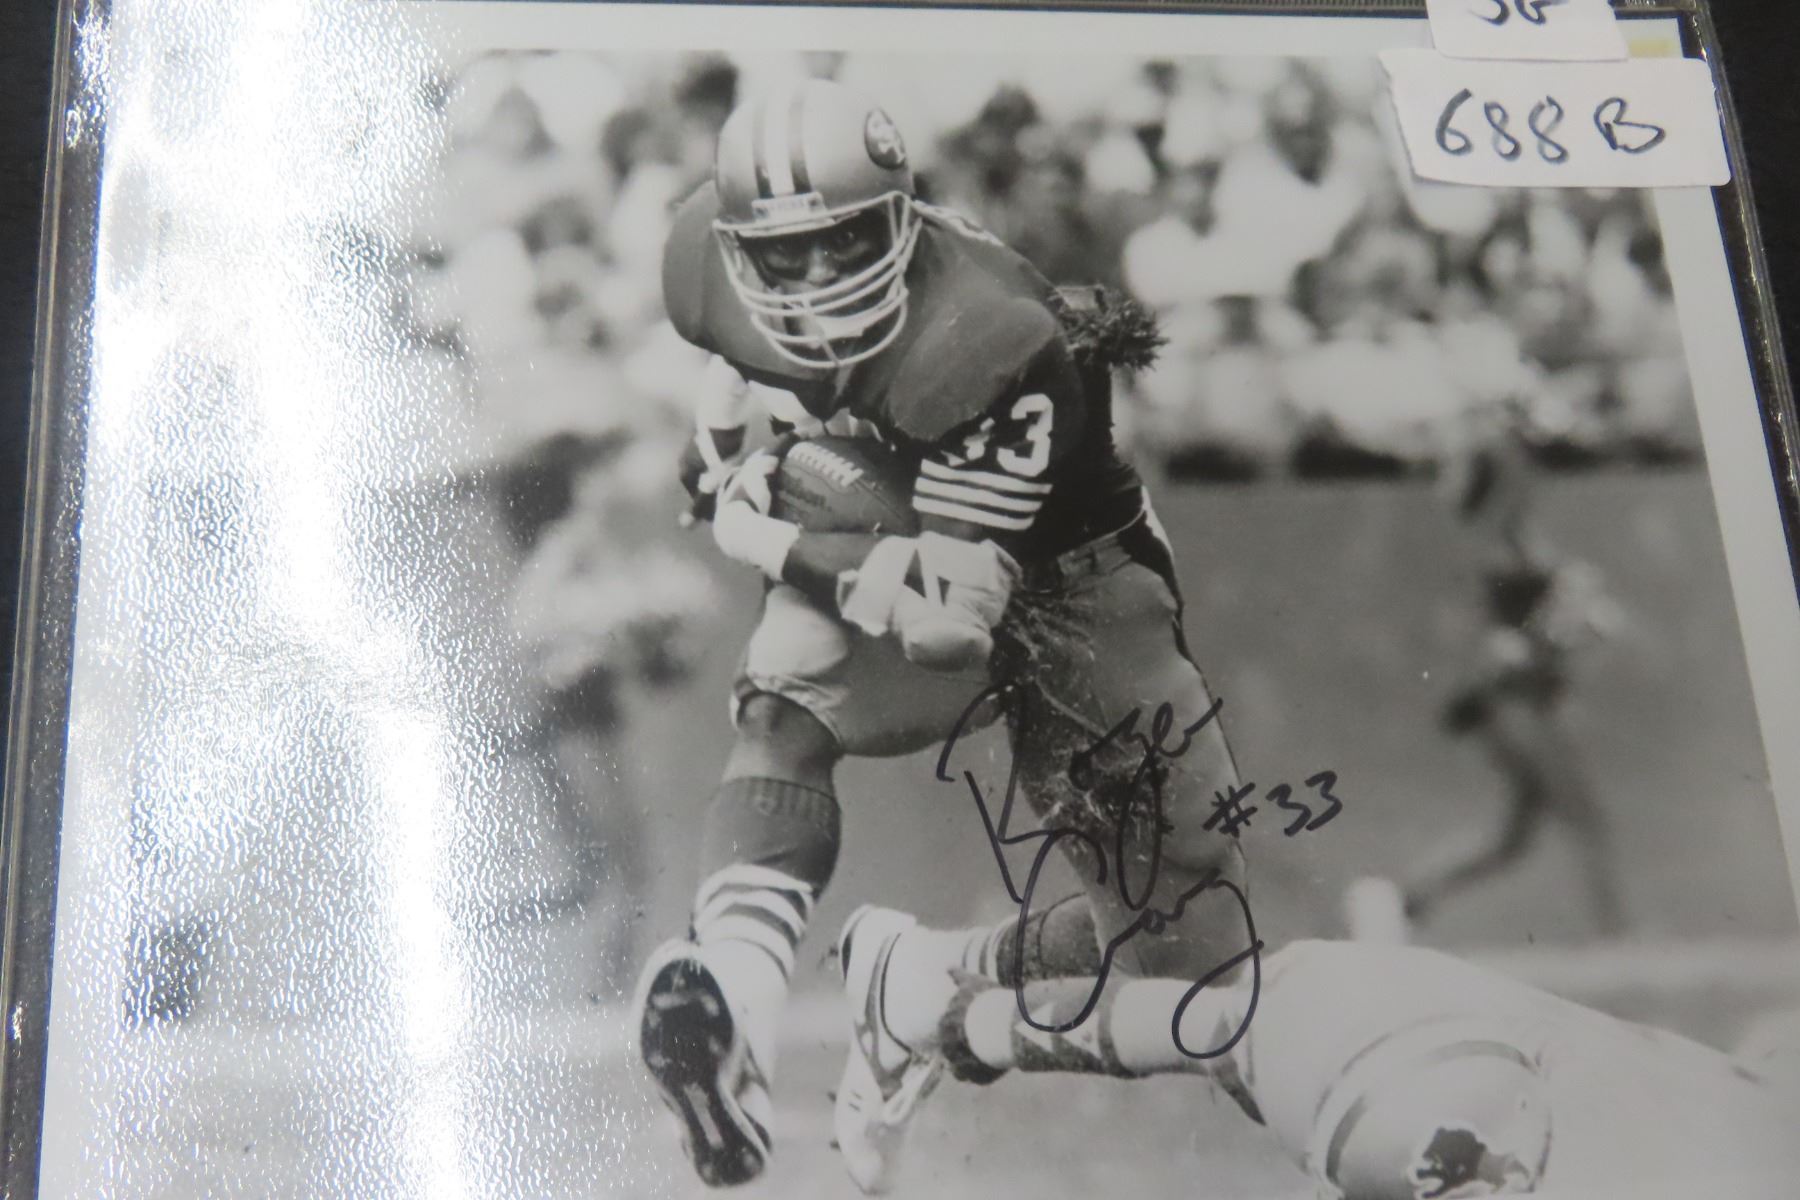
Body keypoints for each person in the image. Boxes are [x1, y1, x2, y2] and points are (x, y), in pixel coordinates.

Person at [633, 76, 1246, 1189]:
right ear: (736, 248)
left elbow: (944, 622)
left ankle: (922, 983)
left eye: (845, 241)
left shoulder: (987, 337)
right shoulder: (702, 265)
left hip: (1064, 576)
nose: (816, 278)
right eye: (785, 255)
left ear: (902, 220)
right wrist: (719, 454)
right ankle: (738, 1009)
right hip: (882, 503)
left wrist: (759, 528)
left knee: (1194, 967)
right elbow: (735, 358)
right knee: (785, 711)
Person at [849, 910, 1800, 1199]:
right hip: (1423, 1082)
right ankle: (936, 995)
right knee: (1216, 1010)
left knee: (1218, 1015)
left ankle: (943, 998)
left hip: (1428, 1068)